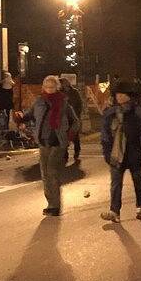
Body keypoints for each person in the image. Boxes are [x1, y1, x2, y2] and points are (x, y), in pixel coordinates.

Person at [16, 75, 79, 216]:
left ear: (57, 87)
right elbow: (30, 115)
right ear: (43, 87)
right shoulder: (39, 102)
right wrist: (21, 118)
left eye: (52, 87)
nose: (49, 89)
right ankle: (50, 203)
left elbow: (75, 122)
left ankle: (55, 205)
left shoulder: (63, 103)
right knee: (45, 173)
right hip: (43, 141)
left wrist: (69, 136)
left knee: (52, 171)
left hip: (58, 141)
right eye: (47, 87)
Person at [100, 80, 141, 222]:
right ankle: (114, 211)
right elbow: (105, 134)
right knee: (116, 183)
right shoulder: (110, 113)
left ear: (130, 96)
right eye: (118, 94)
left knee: (138, 180)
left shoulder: (137, 112)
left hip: (134, 151)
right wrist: (107, 152)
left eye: (123, 94)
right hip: (117, 153)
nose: (120, 97)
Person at [60, 75, 84, 163]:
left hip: (74, 118)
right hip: (64, 119)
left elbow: (79, 104)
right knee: (64, 136)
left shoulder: (74, 92)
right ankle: (65, 155)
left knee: (75, 136)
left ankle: (77, 151)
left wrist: (77, 115)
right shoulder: (60, 93)